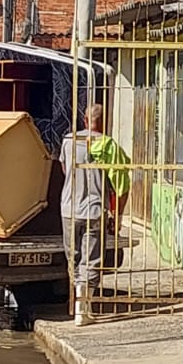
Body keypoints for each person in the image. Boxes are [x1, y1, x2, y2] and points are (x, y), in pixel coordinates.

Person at [60, 103, 129, 325]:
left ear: (85, 119)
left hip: (68, 209)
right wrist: (117, 217)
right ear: (106, 121)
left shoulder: (69, 141)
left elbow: (64, 169)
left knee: (74, 257)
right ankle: (83, 309)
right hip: (95, 210)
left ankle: (78, 302)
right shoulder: (108, 145)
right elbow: (121, 185)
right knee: (91, 260)